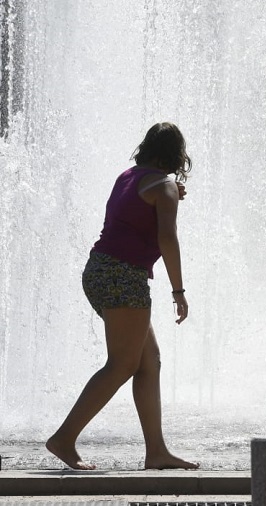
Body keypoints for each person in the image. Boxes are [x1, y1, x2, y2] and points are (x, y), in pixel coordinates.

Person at [46, 122, 197, 470]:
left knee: (149, 360)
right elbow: (167, 239)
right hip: (123, 276)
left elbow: (136, 211)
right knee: (122, 363)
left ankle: (156, 451)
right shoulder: (165, 186)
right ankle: (64, 438)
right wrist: (178, 290)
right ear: (177, 155)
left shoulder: (129, 176)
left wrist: (170, 194)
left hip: (98, 270)